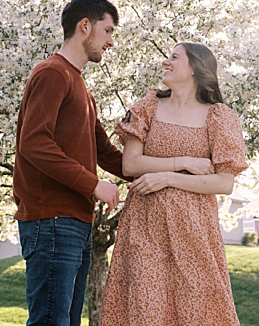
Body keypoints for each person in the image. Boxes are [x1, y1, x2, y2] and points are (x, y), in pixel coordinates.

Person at [100, 42, 249, 326]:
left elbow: (224, 182)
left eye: (174, 58)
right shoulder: (148, 106)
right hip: (145, 227)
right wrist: (182, 162)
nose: (165, 62)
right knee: (145, 310)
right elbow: (130, 164)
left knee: (195, 311)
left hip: (194, 229)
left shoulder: (219, 117)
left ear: (195, 69)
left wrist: (167, 178)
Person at [13, 0, 128, 326]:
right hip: (51, 220)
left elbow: (104, 151)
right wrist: (94, 184)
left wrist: (159, 172)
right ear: (85, 26)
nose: (110, 42)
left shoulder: (81, 87)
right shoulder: (53, 73)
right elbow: (33, 143)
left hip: (75, 222)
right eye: (108, 31)